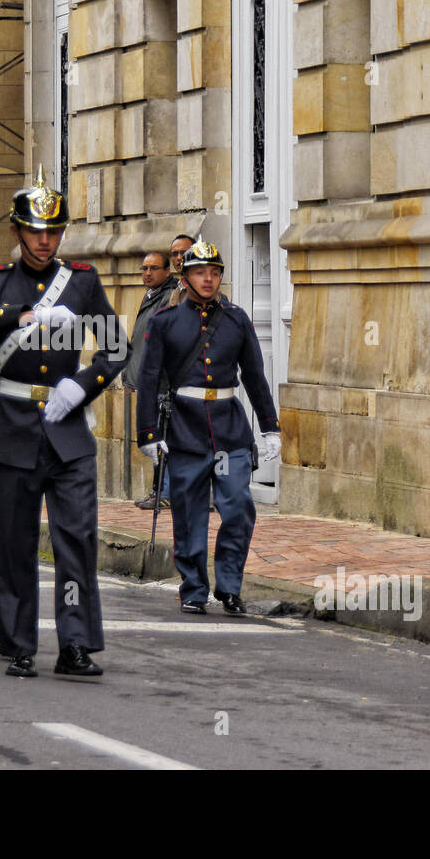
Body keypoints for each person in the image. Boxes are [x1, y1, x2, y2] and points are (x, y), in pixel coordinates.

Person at [0, 165, 129, 678]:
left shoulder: (81, 281)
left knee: (75, 537)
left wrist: (84, 383)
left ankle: (76, 643)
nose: (45, 240)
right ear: (16, 231)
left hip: (67, 426)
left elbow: (117, 348)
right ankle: (18, 642)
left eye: (53, 231)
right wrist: (22, 316)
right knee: (12, 541)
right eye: (35, 231)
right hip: (11, 426)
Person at [134, 241, 281, 616]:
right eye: (201, 273)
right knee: (190, 513)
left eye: (214, 273)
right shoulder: (164, 322)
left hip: (228, 432)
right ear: (185, 278)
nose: (209, 279)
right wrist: (148, 433)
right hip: (185, 430)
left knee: (238, 507)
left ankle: (229, 586)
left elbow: (254, 375)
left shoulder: (237, 318)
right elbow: (149, 379)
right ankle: (194, 587)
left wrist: (269, 427)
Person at [123, 250, 178, 509]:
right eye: (144, 268)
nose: (147, 273)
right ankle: (159, 491)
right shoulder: (150, 296)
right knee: (154, 439)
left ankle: (164, 493)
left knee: (163, 440)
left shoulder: (170, 296)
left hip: (163, 382)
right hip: (147, 381)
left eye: (153, 268)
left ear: (167, 271)